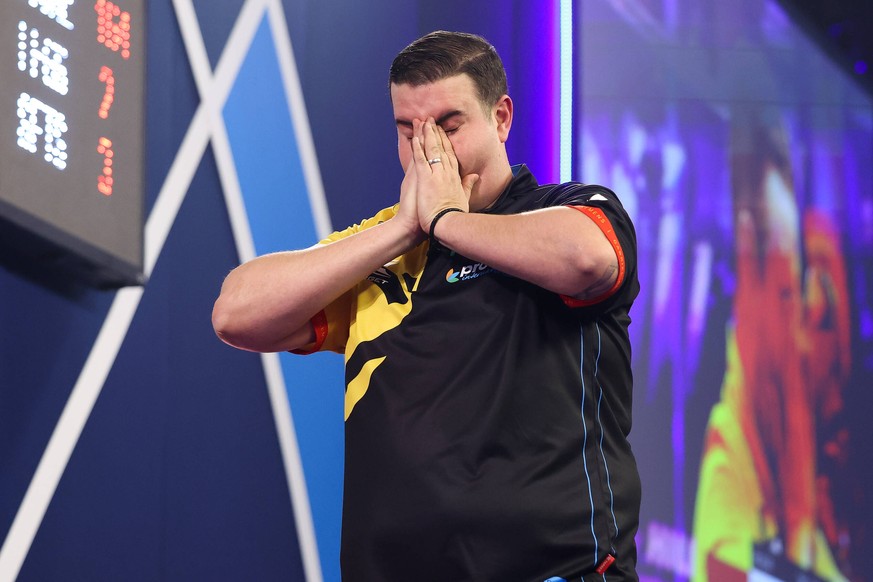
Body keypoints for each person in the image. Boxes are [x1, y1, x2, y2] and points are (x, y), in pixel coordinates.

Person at [213, 31, 641, 581]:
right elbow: (235, 313)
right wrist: (402, 230)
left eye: (448, 126)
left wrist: (447, 221)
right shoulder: (387, 246)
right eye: (408, 131)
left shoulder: (569, 209)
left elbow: (586, 259)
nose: (428, 150)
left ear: (502, 118)